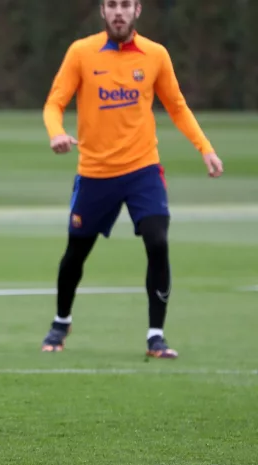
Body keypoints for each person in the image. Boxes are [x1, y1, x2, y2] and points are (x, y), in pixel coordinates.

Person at [41, 0, 223, 357]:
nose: (118, 11)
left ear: (137, 10)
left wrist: (206, 148)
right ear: (103, 11)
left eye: (125, 4)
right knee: (76, 253)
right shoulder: (82, 52)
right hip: (95, 173)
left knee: (157, 242)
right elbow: (54, 103)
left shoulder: (155, 55)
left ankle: (156, 336)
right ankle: (61, 321)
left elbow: (177, 105)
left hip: (143, 170)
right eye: (112, 4)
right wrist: (55, 133)